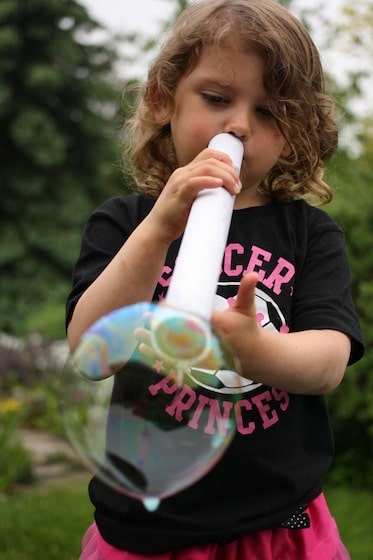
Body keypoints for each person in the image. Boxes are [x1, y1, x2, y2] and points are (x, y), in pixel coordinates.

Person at [66, 0, 365, 558]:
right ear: (163, 99)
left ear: (295, 134)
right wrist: (159, 227)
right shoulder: (126, 223)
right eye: (217, 98)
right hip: (152, 528)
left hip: (281, 524)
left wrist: (254, 350)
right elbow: (91, 351)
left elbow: (327, 363)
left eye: (270, 111)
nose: (239, 125)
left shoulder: (309, 234)